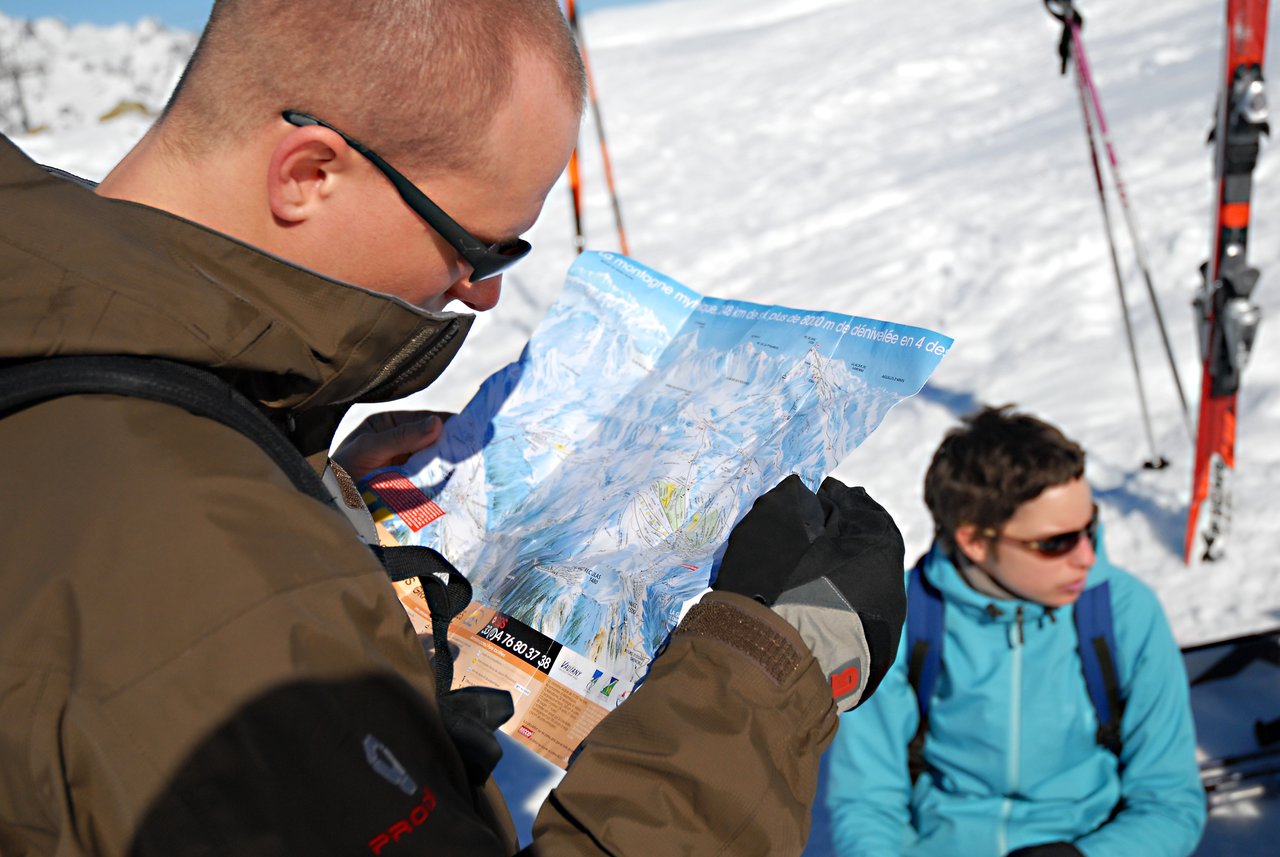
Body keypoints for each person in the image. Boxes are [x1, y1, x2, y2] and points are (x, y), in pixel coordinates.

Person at [0, 2, 908, 855]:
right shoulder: (216, 580)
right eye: (479, 248)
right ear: (310, 174)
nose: (484, 292)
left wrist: (284, 490)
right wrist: (762, 672)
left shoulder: (55, 342)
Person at [825, 405, 1206, 857]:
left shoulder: (1123, 611)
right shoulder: (902, 620)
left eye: (1090, 527)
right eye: (1055, 542)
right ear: (975, 541)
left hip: (1090, 841)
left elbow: (1169, 801)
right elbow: (867, 803)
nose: (1087, 556)